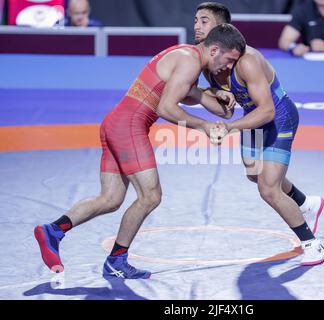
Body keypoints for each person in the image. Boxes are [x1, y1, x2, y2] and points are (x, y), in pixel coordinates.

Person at [34, 23, 246, 279]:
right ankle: (116, 259)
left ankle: (53, 230)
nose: (229, 68)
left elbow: (193, 95)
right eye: (229, 60)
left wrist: (220, 98)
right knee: (151, 196)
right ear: (214, 50)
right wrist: (204, 126)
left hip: (115, 123)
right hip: (129, 127)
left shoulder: (185, 55)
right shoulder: (190, 62)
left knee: (110, 199)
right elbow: (166, 108)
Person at [194, 2, 324, 265]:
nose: (197, 26)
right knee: (255, 175)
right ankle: (306, 203)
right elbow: (222, 107)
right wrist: (214, 95)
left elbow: (266, 111)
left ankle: (313, 244)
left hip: (278, 117)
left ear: (221, 28)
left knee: (268, 189)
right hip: (251, 118)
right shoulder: (205, 58)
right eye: (196, 20)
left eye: (204, 21)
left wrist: (229, 128)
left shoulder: (248, 61)